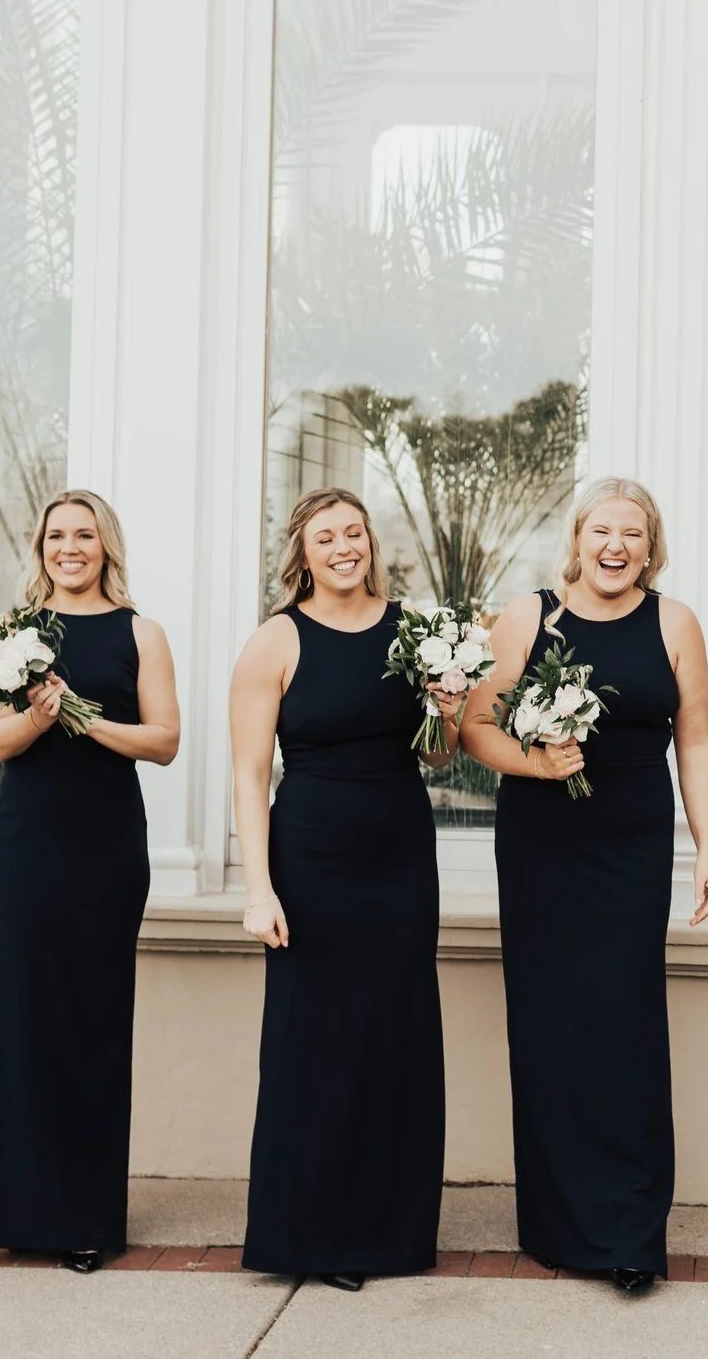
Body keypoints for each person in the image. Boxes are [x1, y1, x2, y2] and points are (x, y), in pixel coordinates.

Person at [461, 477, 708, 1295]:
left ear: (652, 545)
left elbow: (698, 741)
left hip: (633, 847)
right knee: (549, 1025)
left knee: (627, 1026)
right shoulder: (526, 616)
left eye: (633, 534)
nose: (616, 546)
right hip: (543, 845)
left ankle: (633, 1232)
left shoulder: (674, 622)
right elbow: (474, 726)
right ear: (576, 538)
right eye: (602, 530)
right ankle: (558, 1224)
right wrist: (535, 760)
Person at [234, 488, 459, 1291]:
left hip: (400, 853)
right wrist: (259, 889)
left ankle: (388, 1230)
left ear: (371, 542)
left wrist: (448, 710)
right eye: (326, 536)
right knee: (314, 1040)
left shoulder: (417, 630)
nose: (343, 547)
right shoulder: (275, 641)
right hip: (311, 856)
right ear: (302, 552)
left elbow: (438, 756)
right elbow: (251, 771)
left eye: (354, 533)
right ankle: (314, 1232)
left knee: (394, 1034)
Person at [0, 491, 178, 1272]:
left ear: (105, 546)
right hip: (28, 848)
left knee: (95, 1025)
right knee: (24, 1022)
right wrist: (35, 715)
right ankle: (24, 1214)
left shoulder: (140, 632)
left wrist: (82, 719)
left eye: (84, 534)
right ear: (41, 547)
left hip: (107, 849)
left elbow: (163, 739)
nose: (70, 547)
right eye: (57, 535)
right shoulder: (10, 631)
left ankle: (88, 1218)